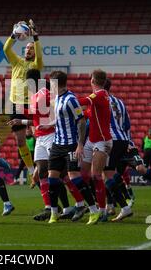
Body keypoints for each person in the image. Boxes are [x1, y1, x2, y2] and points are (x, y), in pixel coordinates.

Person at [8, 69, 87, 222]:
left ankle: (79, 203)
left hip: (52, 136)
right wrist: (21, 117)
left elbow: (57, 114)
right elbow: (36, 119)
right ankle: (51, 208)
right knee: (43, 173)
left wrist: (25, 114)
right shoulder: (34, 96)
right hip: (40, 139)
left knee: (62, 174)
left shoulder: (47, 94)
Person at [77, 69, 133, 222]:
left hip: (104, 140)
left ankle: (103, 209)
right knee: (87, 174)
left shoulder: (99, 95)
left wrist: (64, 101)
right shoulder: (110, 99)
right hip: (98, 140)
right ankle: (113, 205)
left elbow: (84, 102)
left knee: (99, 175)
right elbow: (87, 111)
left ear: (92, 80)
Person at [45, 70, 99, 224]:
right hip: (57, 144)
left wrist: (80, 145)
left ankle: (93, 211)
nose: (50, 86)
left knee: (74, 177)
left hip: (70, 145)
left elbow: (81, 121)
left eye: (51, 83)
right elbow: (61, 120)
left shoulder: (71, 99)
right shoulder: (57, 99)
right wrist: (47, 124)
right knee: (52, 179)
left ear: (57, 83)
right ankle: (54, 213)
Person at [3, 19, 43, 178]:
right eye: (27, 48)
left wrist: (35, 38)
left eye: (31, 49)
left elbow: (39, 56)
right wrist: (14, 34)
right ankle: (32, 171)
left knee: (38, 136)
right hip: (14, 104)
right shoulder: (17, 62)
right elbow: (6, 48)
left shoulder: (36, 65)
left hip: (31, 104)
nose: (28, 50)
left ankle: (42, 167)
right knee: (20, 142)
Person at [102, 79, 134, 220]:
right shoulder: (120, 102)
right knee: (110, 174)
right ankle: (110, 206)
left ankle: (123, 206)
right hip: (123, 140)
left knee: (105, 175)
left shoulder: (101, 100)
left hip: (111, 140)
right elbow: (127, 124)